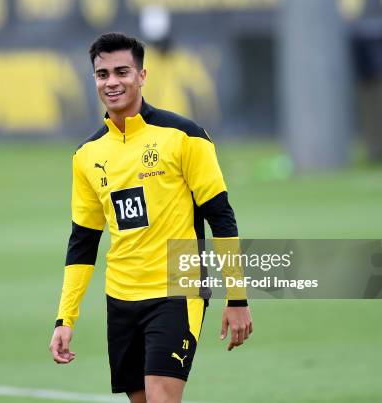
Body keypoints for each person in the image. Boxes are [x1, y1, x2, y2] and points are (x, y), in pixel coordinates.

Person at [49, 32, 252, 403]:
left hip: (179, 285)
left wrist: (236, 298)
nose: (112, 82)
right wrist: (65, 320)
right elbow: (82, 242)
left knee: (162, 396)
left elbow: (221, 218)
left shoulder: (185, 137)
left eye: (122, 72)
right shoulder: (86, 155)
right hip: (121, 296)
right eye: (102, 74)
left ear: (142, 75)